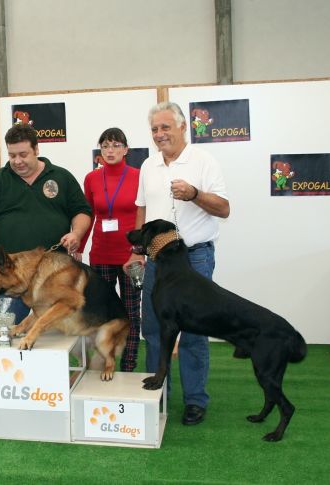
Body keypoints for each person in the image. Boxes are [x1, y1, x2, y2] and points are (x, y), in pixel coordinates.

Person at [124, 101, 230, 426]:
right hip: (156, 262)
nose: (159, 134)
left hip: (195, 259)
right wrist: (138, 252)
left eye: (165, 127)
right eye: (155, 129)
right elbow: (141, 209)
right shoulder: (147, 165)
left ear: (183, 127)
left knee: (194, 331)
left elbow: (224, 209)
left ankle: (195, 400)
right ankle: (158, 393)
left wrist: (195, 193)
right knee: (154, 328)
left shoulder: (204, 161)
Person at [0, 123, 92, 322]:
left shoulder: (61, 177)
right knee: (8, 334)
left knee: (58, 340)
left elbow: (81, 211)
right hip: (10, 278)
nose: (17, 161)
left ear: (36, 149)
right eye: (12, 156)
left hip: (54, 275)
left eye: (23, 154)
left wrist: (76, 234)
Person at [75, 127, 141, 372]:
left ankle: (129, 363)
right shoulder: (92, 178)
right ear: (99, 151)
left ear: (125, 150)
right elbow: (88, 215)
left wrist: (140, 250)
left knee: (131, 313)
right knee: (100, 312)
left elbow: (143, 215)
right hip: (100, 255)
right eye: (105, 146)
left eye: (115, 145)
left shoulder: (138, 176)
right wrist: (80, 246)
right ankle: (103, 361)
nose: (110, 151)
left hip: (130, 257)